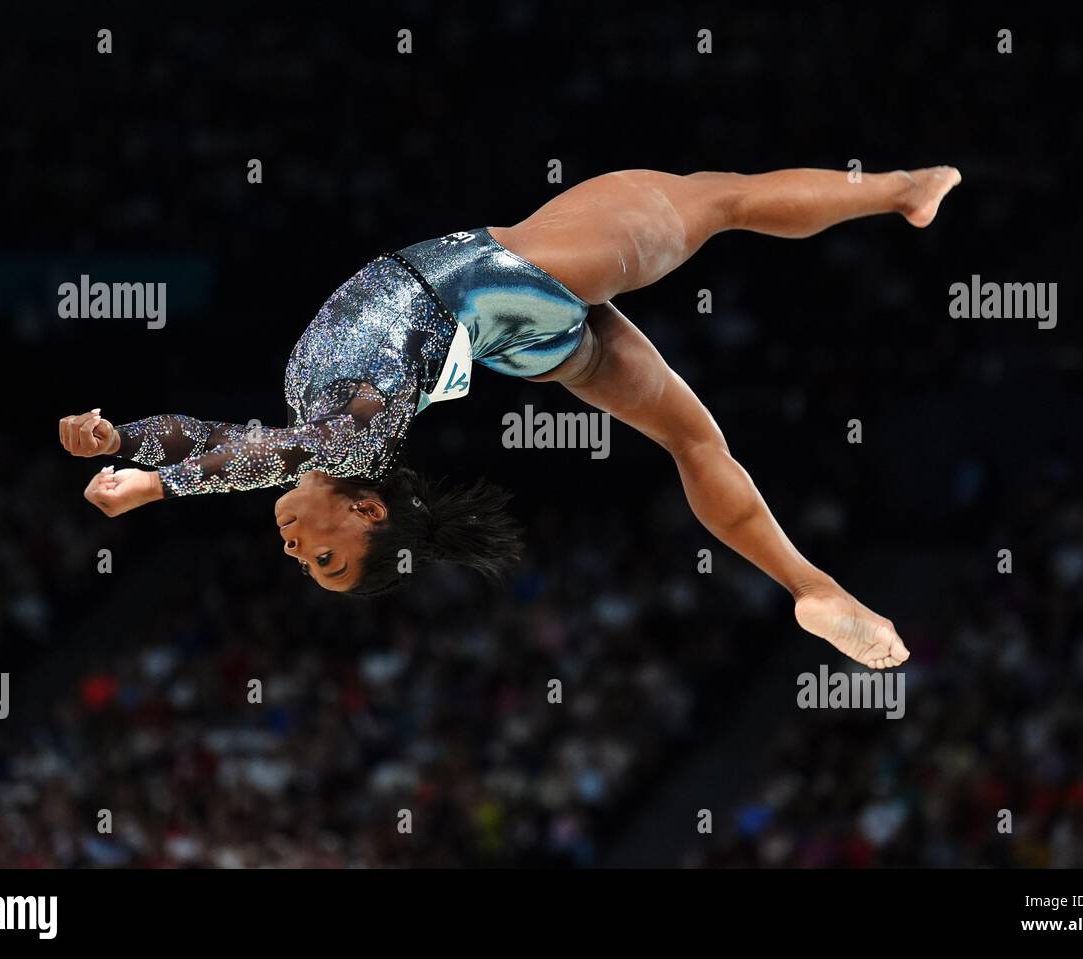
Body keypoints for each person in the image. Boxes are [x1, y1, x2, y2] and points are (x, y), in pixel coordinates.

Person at [59, 165, 961, 668]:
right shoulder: (353, 440)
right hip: (510, 280)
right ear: (369, 511)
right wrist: (161, 486)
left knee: (691, 437)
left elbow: (228, 440)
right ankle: (900, 190)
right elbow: (258, 453)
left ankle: (811, 584)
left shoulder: (325, 428)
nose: (299, 553)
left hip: (508, 345)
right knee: (719, 201)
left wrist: (129, 439)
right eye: (328, 559)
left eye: (308, 565)